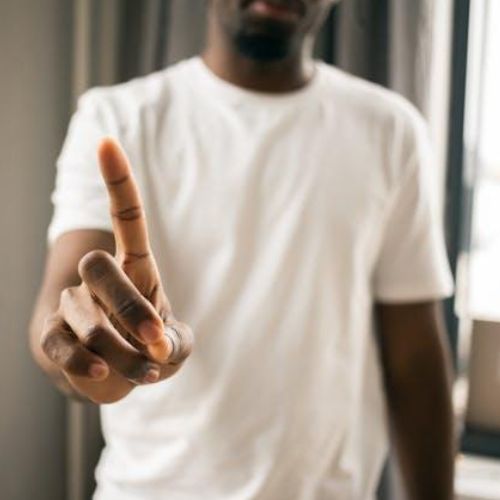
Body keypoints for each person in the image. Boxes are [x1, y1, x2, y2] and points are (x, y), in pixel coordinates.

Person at [29, 1, 456, 499]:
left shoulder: (391, 130)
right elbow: (62, 306)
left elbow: (416, 366)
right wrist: (95, 353)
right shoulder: (117, 117)